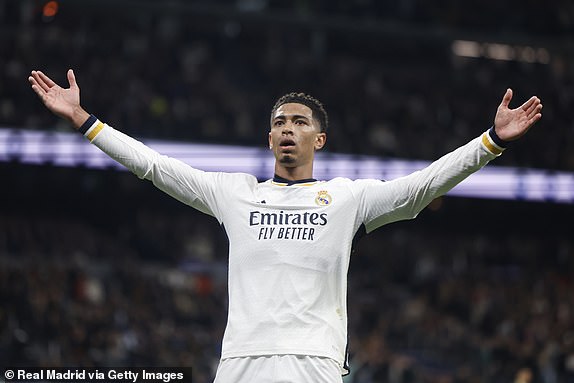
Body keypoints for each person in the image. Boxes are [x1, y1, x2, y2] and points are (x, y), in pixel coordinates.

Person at [29, 69, 542, 382]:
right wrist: (86, 121)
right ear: (268, 138)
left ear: (319, 139)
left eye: (298, 122)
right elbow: (156, 167)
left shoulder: (347, 199)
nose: (287, 129)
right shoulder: (235, 194)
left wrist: (489, 143)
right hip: (241, 363)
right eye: (279, 122)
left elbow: (422, 187)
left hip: (312, 364)